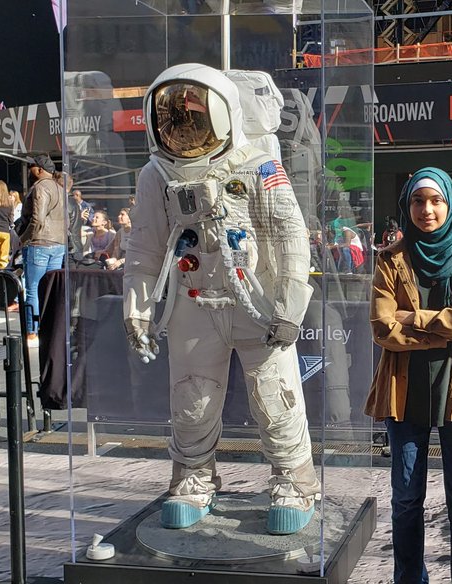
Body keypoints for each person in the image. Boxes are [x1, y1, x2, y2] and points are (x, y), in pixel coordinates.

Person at [123, 64, 318, 535]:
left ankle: (294, 481)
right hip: (194, 300)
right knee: (192, 396)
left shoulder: (259, 165)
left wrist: (291, 308)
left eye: (194, 114)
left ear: (226, 113)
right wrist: (138, 309)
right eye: (175, 116)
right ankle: (193, 477)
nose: (185, 127)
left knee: (275, 396)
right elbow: (146, 246)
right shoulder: (157, 173)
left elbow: (291, 236)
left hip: (258, 296)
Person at [366, 167, 452, 584]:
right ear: (408, 206)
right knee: (407, 499)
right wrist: (447, 328)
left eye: (436, 200)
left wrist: (416, 319)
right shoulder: (390, 262)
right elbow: (382, 327)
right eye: (418, 201)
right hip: (404, 392)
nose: (427, 209)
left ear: (450, 204)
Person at [17, 154, 66, 344]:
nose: (29, 170)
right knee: (49, 288)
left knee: (33, 289)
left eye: (31, 167)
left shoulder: (40, 187)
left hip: (40, 243)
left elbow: (37, 219)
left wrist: (24, 238)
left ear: (39, 170)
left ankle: (32, 331)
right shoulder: (60, 188)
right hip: (58, 243)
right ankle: (48, 327)